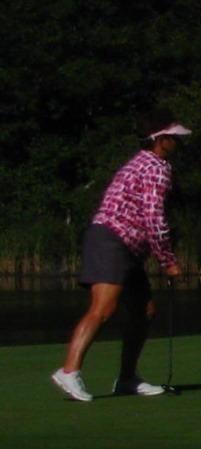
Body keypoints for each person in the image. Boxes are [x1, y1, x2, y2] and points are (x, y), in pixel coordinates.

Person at [51, 118, 190, 402]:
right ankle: (69, 371)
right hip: (112, 239)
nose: (179, 142)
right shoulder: (155, 167)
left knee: (144, 311)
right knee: (104, 308)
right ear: (160, 140)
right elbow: (154, 216)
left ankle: (127, 378)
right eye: (174, 137)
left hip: (127, 245)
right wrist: (167, 260)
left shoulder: (146, 162)